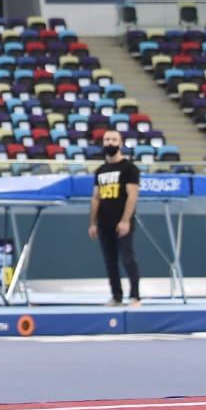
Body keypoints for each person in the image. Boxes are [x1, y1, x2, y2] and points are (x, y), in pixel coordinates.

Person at [88, 129, 141, 308]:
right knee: (110, 262)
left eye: (113, 139)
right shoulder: (100, 171)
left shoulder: (129, 168)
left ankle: (135, 296)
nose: (109, 142)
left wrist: (126, 220)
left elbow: (132, 196)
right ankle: (116, 296)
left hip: (122, 221)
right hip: (104, 223)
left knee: (128, 258)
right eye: (106, 139)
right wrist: (93, 223)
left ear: (120, 143)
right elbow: (96, 197)